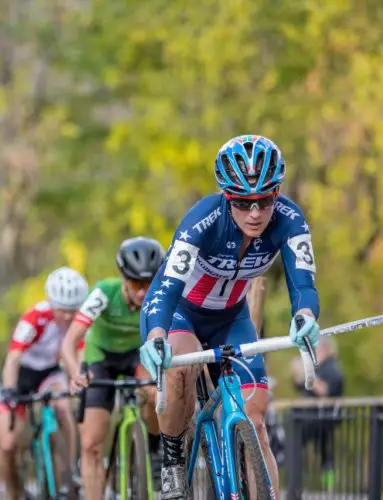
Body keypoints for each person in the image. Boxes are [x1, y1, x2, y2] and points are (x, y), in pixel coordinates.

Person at [138, 134, 322, 499]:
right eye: (242, 202)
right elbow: (165, 289)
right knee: (179, 372)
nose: (254, 213)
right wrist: (156, 333)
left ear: (277, 193)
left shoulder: (290, 220)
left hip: (232, 319)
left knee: (256, 423)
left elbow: (303, 285)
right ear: (226, 196)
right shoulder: (202, 220)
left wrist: (305, 315)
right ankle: (173, 460)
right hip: (181, 314)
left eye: (264, 200)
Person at [61, 237, 165, 500]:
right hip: (101, 358)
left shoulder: (161, 297)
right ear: (123, 278)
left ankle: (153, 448)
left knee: (155, 393)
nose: (143, 292)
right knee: (92, 444)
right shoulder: (104, 292)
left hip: (136, 356)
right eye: (135, 284)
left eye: (149, 283)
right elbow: (70, 341)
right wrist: (76, 372)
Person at [0, 266, 89, 500]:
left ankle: (70, 469)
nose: (67, 316)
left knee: (62, 407)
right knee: (7, 445)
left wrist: (80, 379)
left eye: (72, 310)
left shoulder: (79, 322)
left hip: (49, 373)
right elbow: (13, 358)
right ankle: (14, 491)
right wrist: (9, 391)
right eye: (61, 310)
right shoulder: (35, 318)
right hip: (21, 374)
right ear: (51, 303)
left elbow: (79, 357)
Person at [291, 335, 344, 490]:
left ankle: (328, 487)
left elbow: (325, 390)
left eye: (317, 348)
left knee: (324, 453)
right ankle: (299, 483)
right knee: (306, 449)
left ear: (326, 349)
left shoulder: (333, 367)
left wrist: (308, 374)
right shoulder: (318, 367)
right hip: (310, 416)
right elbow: (300, 386)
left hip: (323, 418)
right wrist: (299, 372)